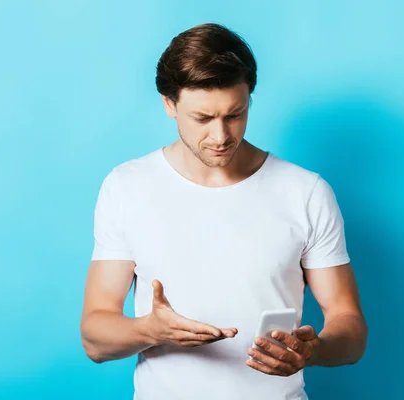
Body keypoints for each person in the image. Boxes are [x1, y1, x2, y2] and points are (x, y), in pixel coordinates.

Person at [80, 23, 368, 400]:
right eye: (202, 119)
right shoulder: (127, 186)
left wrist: (312, 351)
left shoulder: (305, 192)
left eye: (235, 114)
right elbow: (95, 338)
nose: (220, 136)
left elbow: (350, 327)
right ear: (169, 103)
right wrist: (152, 330)